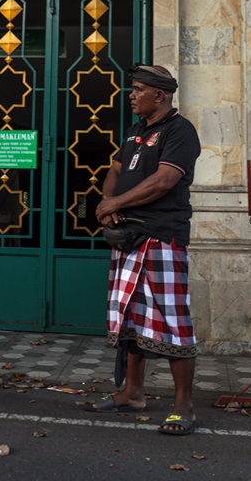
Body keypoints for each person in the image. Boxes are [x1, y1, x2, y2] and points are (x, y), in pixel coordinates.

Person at [93, 64, 201, 436]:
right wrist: (109, 202)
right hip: (129, 237)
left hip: (161, 238)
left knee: (172, 322)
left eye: (138, 89)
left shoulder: (180, 131)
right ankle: (132, 393)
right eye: (132, 89)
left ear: (160, 95)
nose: (132, 95)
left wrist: (117, 202)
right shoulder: (136, 131)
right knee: (130, 319)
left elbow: (164, 181)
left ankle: (183, 406)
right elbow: (115, 169)